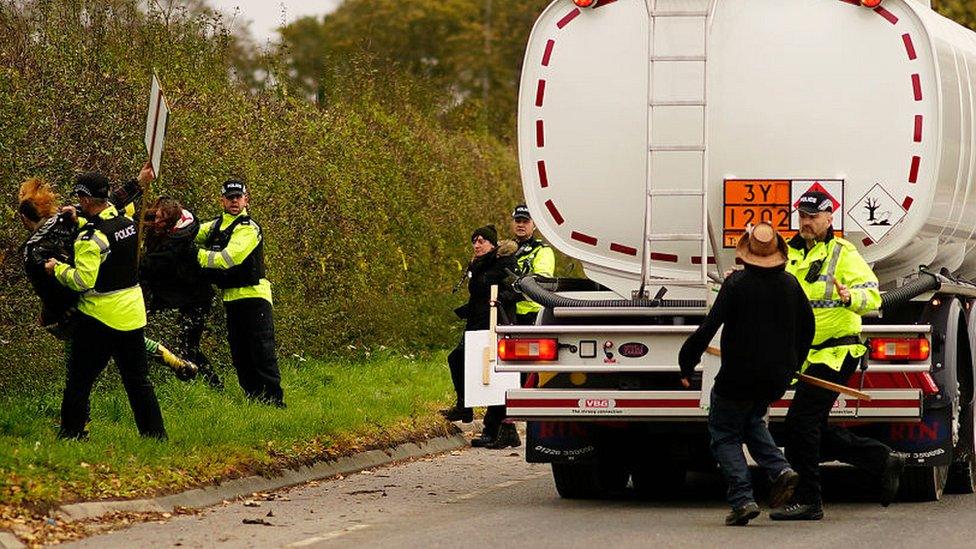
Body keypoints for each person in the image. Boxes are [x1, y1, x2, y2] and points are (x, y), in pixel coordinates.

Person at [771, 190, 905, 521]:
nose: (806, 222)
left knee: (800, 424)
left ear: (830, 218)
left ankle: (809, 501)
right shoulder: (787, 254)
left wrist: (850, 297)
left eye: (813, 217)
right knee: (807, 426)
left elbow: (871, 295)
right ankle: (881, 459)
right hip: (805, 355)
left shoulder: (843, 252)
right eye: (802, 216)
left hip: (837, 351)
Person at [679, 223, 814, 526]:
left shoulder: (737, 285)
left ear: (746, 255)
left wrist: (686, 362)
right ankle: (779, 469)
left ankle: (742, 500)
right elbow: (808, 328)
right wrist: (794, 366)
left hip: (737, 378)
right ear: (779, 254)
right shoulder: (792, 284)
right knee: (752, 420)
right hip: (773, 380)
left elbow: (709, 328)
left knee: (724, 434)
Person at [17, 178, 197, 378]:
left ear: (25, 218)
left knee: (80, 360)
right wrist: (137, 182)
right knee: (132, 343)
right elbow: (109, 201)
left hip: (79, 303)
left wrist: (50, 315)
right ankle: (175, 361)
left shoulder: (32, 249)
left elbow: (48, 289)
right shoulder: (67, 216)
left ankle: (75, 394)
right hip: (103, 286)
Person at [44, 170, 166, 439]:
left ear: (86, 199)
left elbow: (83, 279)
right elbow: (115, 210)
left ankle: (71, 434)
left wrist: (58, 268)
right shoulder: (127, 222)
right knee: (138, 382)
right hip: (132, 315)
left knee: (79, 382)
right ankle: (155, 436)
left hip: (98, 320)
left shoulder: (90, 238)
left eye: (80, 197)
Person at [197, 180, 283, 406]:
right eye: (230, 197)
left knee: (261, 351)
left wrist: (195, 256)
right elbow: (193, 232)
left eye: (238, 197)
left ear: (246, 199)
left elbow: (229, 258)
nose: (234, 201)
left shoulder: (248, 227)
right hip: (232, 298)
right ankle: (254, 400)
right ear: (222, 200)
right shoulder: (216, 226)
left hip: (255, 297)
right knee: (240, 354)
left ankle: (274, 402)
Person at [441, 225, 518, 445]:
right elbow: (478, 293)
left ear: (492, 244)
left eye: (482, 241)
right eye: (474, 241)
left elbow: (517, 289)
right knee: (456, 358)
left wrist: (498, 300)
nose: (477, 245)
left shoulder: (504, 262)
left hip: (495, 324)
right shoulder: (477, 264)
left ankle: (495, 430)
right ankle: (464, 406)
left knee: (493, 375)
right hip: (476, 324)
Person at [142, 196, 222, 388]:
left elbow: (148, 267)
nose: (156, 223)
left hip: (195, 296)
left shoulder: (175, 244)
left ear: (170, 223)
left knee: (187, 346)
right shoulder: (157, 221)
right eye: (155, 217)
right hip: (168, 294)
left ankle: (213, 385)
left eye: (161, 221)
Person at [510, 204, 555, 326]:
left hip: (532, 313)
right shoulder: (505, 249)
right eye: (518, 221)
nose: (520, 225)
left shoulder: (542, 250)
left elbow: (541, 280)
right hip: (507, 311)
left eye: (525, 221)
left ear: (534, 225)